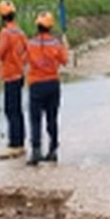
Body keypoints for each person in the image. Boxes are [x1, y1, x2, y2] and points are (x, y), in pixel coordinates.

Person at [25, 11, 68, 166]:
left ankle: (36, 151)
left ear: (37, 26)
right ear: (50, 27)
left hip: (36, 85)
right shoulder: (56, 44)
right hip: (52, 84)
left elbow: (24, 59)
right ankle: (53, 150)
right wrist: (65, 46)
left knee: (35, 119)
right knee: (52, 119)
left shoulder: (30, 44)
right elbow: (64, 61)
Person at [0, 0, 27, 159]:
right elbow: (27, 51)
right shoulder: (20, 32)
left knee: (11, 110)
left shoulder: (5, 33)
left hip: (9, 76)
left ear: (2, 16)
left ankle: (15, 145)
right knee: (18, 111)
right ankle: (20, 142)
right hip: (20, 74)